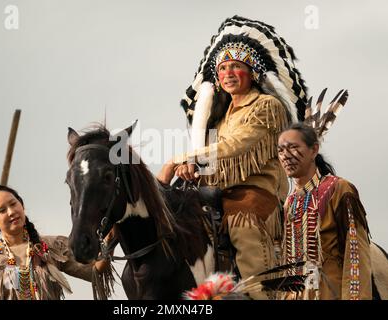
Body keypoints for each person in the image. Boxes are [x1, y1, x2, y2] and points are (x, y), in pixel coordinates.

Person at [157, 16, 309, 299]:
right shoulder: (222, 116)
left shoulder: (267, 106)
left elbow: (236, 146)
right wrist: (194, 171)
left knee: (241, 224)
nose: (228, 73)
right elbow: (216, 161)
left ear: (251, 72)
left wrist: (177, 160)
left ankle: (260, 294)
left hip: (256, 196)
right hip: (219, 194)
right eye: (223, 68)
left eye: (236, 67)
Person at [0, 167, 112, 300]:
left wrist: (109, 240)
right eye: (2, 210)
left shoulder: (52, 247)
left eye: (13, 204)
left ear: (21, 204)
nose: (11, 212)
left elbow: (94, 270)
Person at [277, 120, 372, 299]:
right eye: (281, 150)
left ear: (314, 150)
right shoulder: (289, 203)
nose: (285, 156)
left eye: (293, 147)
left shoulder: (339, 189)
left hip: (330, 292)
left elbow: (356, 252)